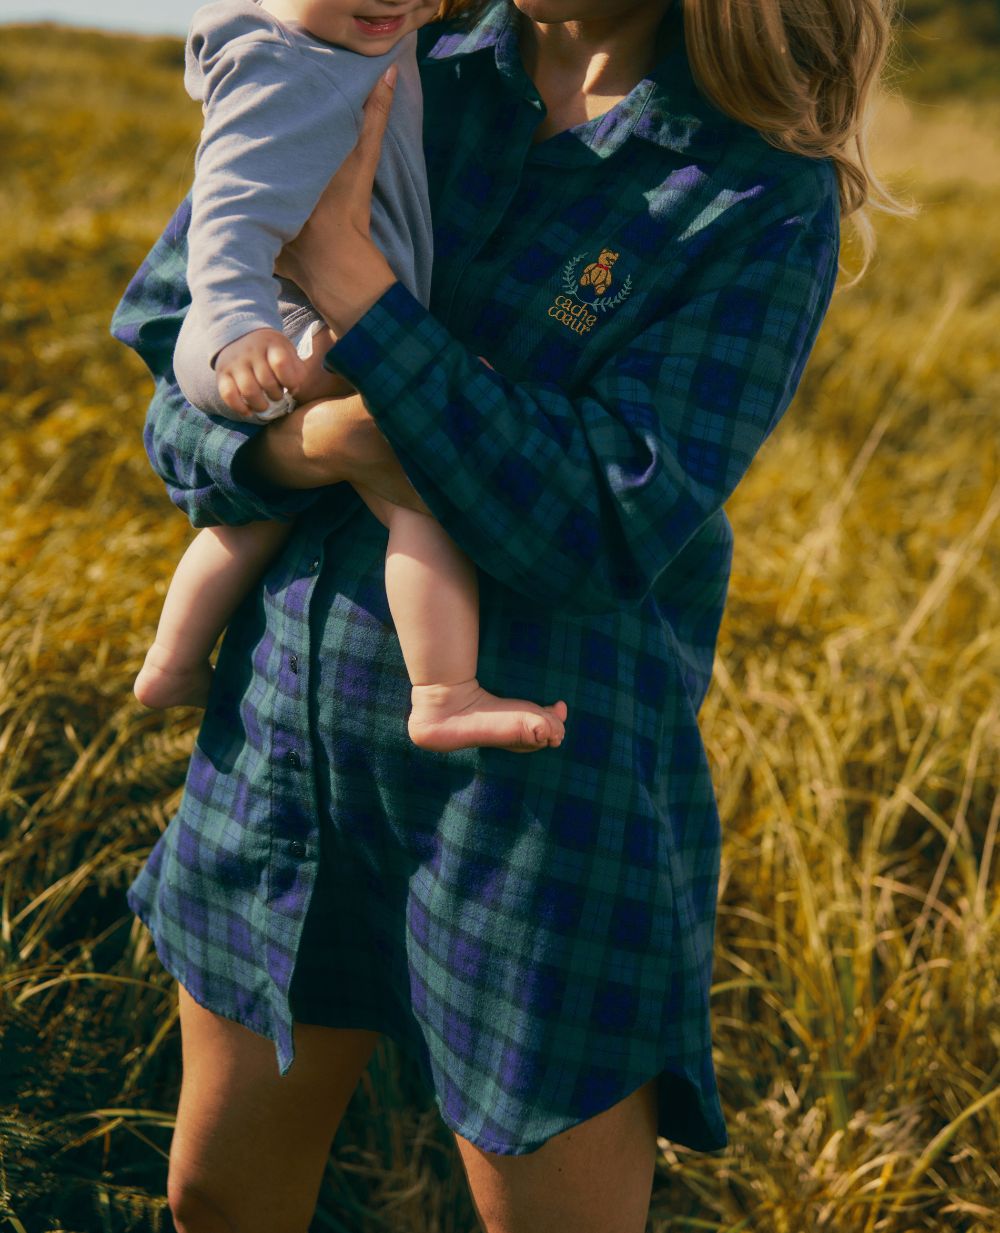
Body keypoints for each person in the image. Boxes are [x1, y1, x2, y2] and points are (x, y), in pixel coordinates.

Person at [111, 0, 900, 1228]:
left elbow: (599, 518)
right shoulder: (369, 50)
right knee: (217, 1200)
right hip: (281, 749)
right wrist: (334, 440)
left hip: (539, 802)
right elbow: (176, 367)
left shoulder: (750, 188)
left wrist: (356, 291)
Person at [133, 0, 567, 755]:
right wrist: (239, 328)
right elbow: (228, 211)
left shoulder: (346, 37)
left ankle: (172, 662)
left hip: (269, 327)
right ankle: (442, 692)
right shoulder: (290, 67)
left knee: (261, 513)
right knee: (420, 495)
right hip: (284, 330)